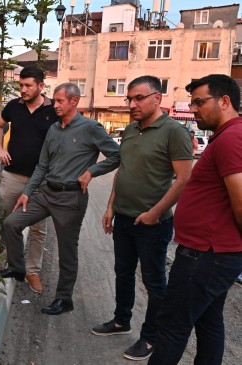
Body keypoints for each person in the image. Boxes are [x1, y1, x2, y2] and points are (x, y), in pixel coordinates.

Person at [91, 76, 193, 361]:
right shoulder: (131, 130)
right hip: (123, 218)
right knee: (122, 273)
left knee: (154, 281)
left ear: (157, 98)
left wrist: (155, 213)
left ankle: (151, 337)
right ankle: (121, 320)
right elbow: (123, 171)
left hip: (152, 223)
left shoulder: (174, 132)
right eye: (129, 99)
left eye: (138, 98)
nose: (132, 104)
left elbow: (184, 179)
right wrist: (111, 206)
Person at [1, 83, 120, 315]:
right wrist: (27, 192)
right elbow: (42, 165)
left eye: (59, 101)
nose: (54, 105)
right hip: (46, 193)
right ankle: (17, 269)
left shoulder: (91, 128)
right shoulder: (54, 129)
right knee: (11, 223)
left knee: (67, 251)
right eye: (54, 101)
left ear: (74, 101)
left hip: (70, 198)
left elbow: (116, 155)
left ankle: (64, 299)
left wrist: (92, 171)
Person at [148, 74, 242, 365]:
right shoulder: (226, 137)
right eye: (192, 103)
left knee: (171, 327)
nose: (194, 109)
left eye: (200, 102)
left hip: (207, 255)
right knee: (208, 321)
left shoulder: (232, 138)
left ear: (225, 101)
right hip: (213, 253)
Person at [0, 66, 57, 294]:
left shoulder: (54, 110)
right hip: (12, 176)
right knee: (8, 221)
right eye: (21, 85)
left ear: (41, 86)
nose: (23, 90)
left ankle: (32, 271)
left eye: (28, 85)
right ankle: (13, 264)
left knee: (39, 229)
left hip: (41, 183)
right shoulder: (13, 107)